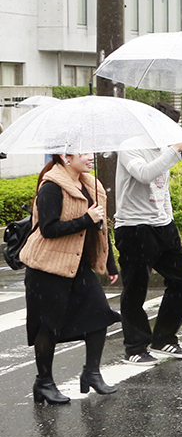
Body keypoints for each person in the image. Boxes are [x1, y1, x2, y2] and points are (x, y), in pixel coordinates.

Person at [19, 151, 120, 404]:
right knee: (48, 326)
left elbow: (99, 227)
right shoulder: (51, 187)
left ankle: (92, 373)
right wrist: (86, 219)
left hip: (78, 265)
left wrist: (109, 263)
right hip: (47, 267)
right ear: (66, 156)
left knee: (99, 316)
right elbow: (48, 229)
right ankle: (44, 383)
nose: (89, 157)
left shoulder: (90, 184)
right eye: (83, 153)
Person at [114, 104, 182, 366]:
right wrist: (173, 151)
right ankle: (135, 347)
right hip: (134, 228)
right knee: (136, 289)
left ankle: (164, 338)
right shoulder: (130, 146)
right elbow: (145, 174)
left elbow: (162, 189)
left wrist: (167, 217)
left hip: (163, 226)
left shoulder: (165, 148)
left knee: (181, 281)